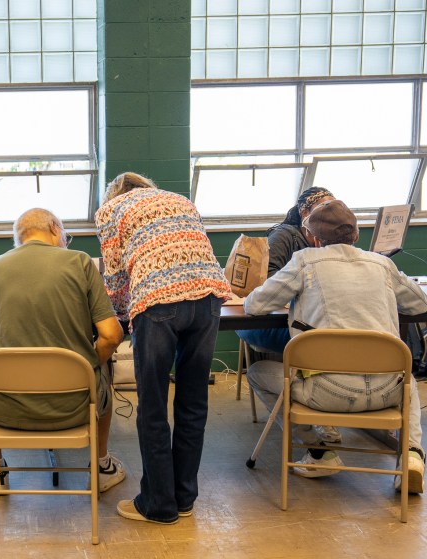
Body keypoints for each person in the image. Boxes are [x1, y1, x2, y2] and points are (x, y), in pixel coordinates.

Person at [245, 199, 427, 492]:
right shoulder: (383, 264)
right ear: (356, 235)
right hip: (386, 393)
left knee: (257, 371)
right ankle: (412, 455)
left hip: (324, 392)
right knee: (408, 379)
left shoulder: (304, 262)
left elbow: (255, 305)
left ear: (315, 239)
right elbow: (420, 303)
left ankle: (320, 452)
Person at [96, 173, 232, 524]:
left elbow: (114, 279)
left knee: (153, 406)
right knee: (193, 402)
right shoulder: (181, 201)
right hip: (209, 299)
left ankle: (158, 504)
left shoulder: (110, 211)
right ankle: (184, 497)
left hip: (157, 302)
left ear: (114, 195)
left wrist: (122, 320)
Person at [0, 208, 126, 493]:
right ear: (54, 228)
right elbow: (111, 336)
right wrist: (90, 365)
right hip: (74, 408)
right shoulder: (80, 262)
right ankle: (101, 465)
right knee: (103, 370)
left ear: (19, 238)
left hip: (7, 409)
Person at [236, 186, 335, 355]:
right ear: (305, 213)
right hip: (275, 317)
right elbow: (267, 276)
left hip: (312, 319)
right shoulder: (284, 236)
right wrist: (297, 290)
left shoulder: (329, 238)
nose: (330, 215)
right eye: (324, 208)